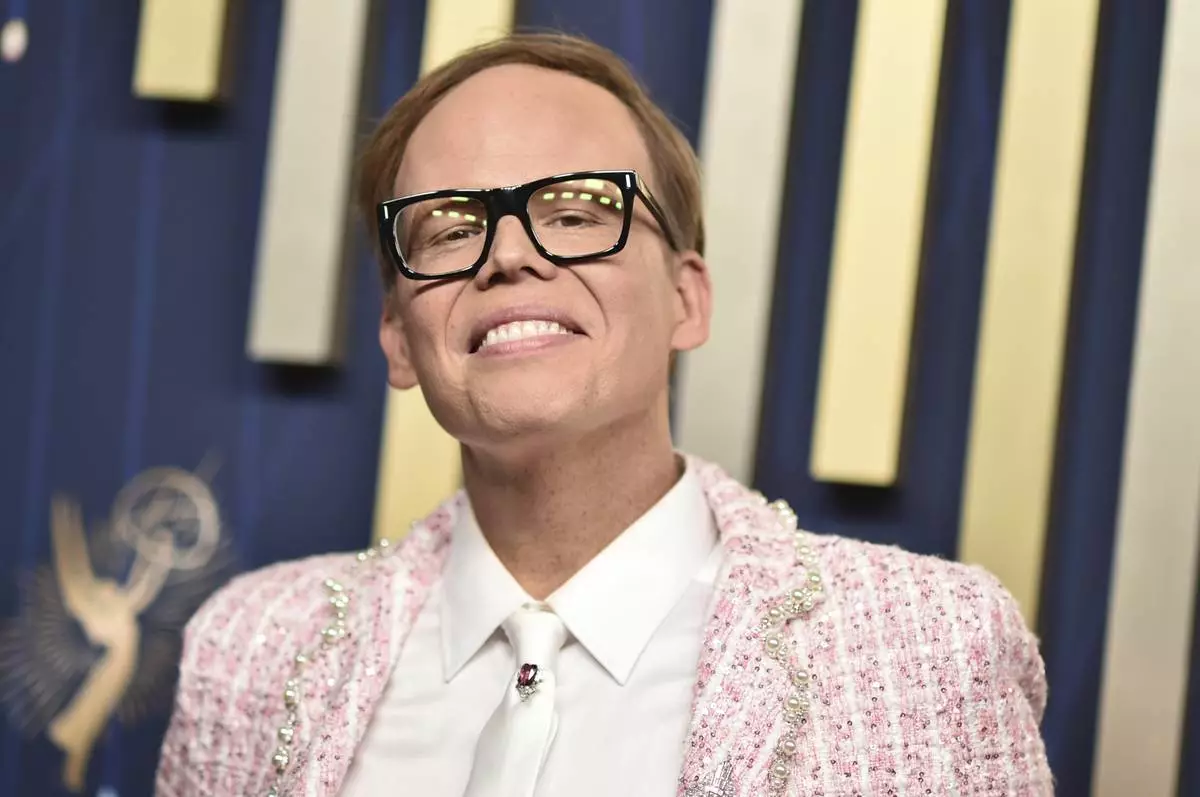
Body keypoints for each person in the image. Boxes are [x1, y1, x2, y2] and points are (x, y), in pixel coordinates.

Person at [156, 33, 1051, 797]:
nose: (508, 254)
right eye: (452, 228)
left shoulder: (930, 645)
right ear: (398, 337)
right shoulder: (249, 650)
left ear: (687, 300)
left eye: (579, 210)